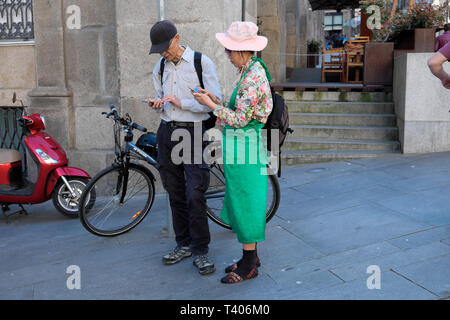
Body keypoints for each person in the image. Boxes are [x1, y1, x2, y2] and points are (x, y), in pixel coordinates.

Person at [193, 21, 273, 284]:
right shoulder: (249, 70)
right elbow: (239, 112)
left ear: (243, 50)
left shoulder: (252, 77)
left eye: (229, 50)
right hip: (242, 147)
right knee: (241, 201)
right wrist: (214, 100)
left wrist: (211, 106)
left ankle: (250, 264)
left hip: (246, 148)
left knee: (247, 204)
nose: (226, 54)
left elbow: (239, 119)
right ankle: (251, 257)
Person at [147, 20, 222, 275]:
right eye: (159, 50)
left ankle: (201, 250)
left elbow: (214, 102)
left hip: (192, 133)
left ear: (177, 38)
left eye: (166, 48)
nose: (163, 54)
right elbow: (163, 98)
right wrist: (158, 104)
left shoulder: (202, 63)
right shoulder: (159, 67)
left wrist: (184, 102)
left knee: (194, 194)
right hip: (167, 132)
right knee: (175, 192)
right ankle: (184, 244)